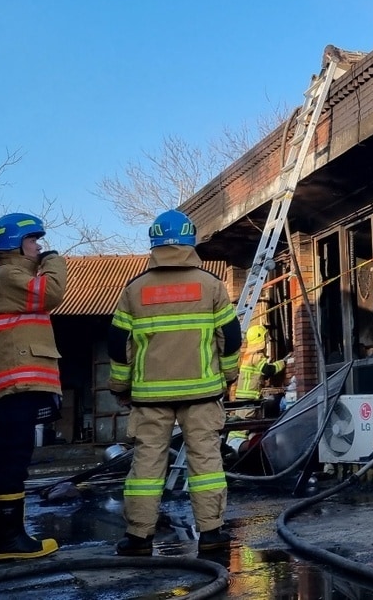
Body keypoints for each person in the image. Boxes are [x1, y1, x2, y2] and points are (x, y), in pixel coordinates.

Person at [108, 210, 241, 555]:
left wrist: (121, 387)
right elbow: (230, 335)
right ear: (190, 239)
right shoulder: (210, 285)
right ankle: (211, 533)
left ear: (153, 241)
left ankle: (138, 537)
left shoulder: (134, 289)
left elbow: (118, 344)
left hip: (150, 397)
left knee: (146, 467)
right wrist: (228, 376)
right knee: (206, 463)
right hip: (201, 393)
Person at [0, 213, 66, 561]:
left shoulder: (2, 278)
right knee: (12, 460)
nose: (39, 246)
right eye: (33, 240)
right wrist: (54, 261)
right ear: (16, 244)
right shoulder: (10, 275)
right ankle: (10, 540)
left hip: (7, 385)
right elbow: (51, 292)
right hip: (15, 384)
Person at [224, 324, 288, 453]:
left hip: (246, 398)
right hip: (249, 400)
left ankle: (245, 447)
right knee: (243, 427)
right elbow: (268, 370)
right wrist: (283, 362)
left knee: (248, 425)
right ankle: (234, 448)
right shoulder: (257, 356)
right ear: (261, 340)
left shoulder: (247, 356)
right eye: (265, 338)